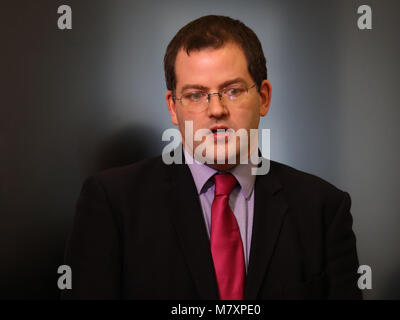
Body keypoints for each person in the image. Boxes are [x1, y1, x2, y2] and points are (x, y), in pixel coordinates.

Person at [62, 15, 362, 299]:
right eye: (195, 94)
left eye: (232, 91)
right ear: (172, 107)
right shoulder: (112, 203)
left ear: (264, 97)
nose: (216, 109)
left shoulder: (323, 209)